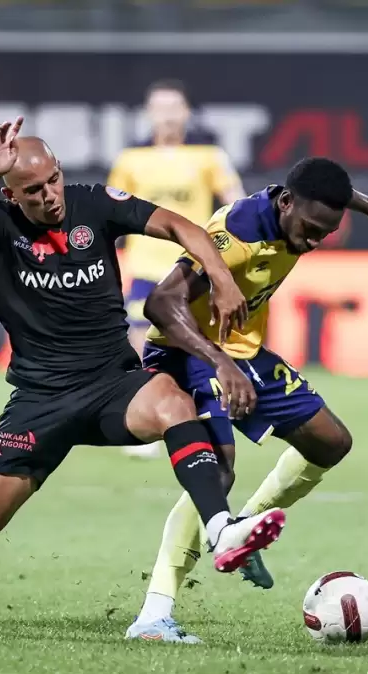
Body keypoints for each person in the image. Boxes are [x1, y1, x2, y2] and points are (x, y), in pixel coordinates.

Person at [0, 118, 285, 630]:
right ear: (11, 195)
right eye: (33, 190)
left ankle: (220, 529)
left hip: (112, 384)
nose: (50, 195)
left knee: (172, 400)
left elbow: (181, 227)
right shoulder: (1, 223)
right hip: (41, 399)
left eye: (53, 179)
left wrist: (221, 276)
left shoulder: (93, 204)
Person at [123, 157, 368, 642]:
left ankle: (243, 527)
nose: (314, 240)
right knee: (217, 472)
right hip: (187, 349)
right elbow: (160, 303)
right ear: (285, 203)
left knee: (330, 442)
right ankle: (154, 616)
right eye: (310, 228)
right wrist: (220, 363)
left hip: (241, 352)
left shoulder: (302, 206)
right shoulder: (236, 236)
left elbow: (329, 191)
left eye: (326, 232)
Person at [107, 79, 246, 459]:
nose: (167, 115)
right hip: (145, 265)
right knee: (141, 343)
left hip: (190, 267)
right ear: (149, 113)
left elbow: (235, 201)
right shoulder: (131, 160)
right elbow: (112, 213)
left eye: (174, 107)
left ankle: (203, 418)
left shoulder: (208, 156)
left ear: (186, 112)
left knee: (195, 345)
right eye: (160, 107)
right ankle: (148, 424)